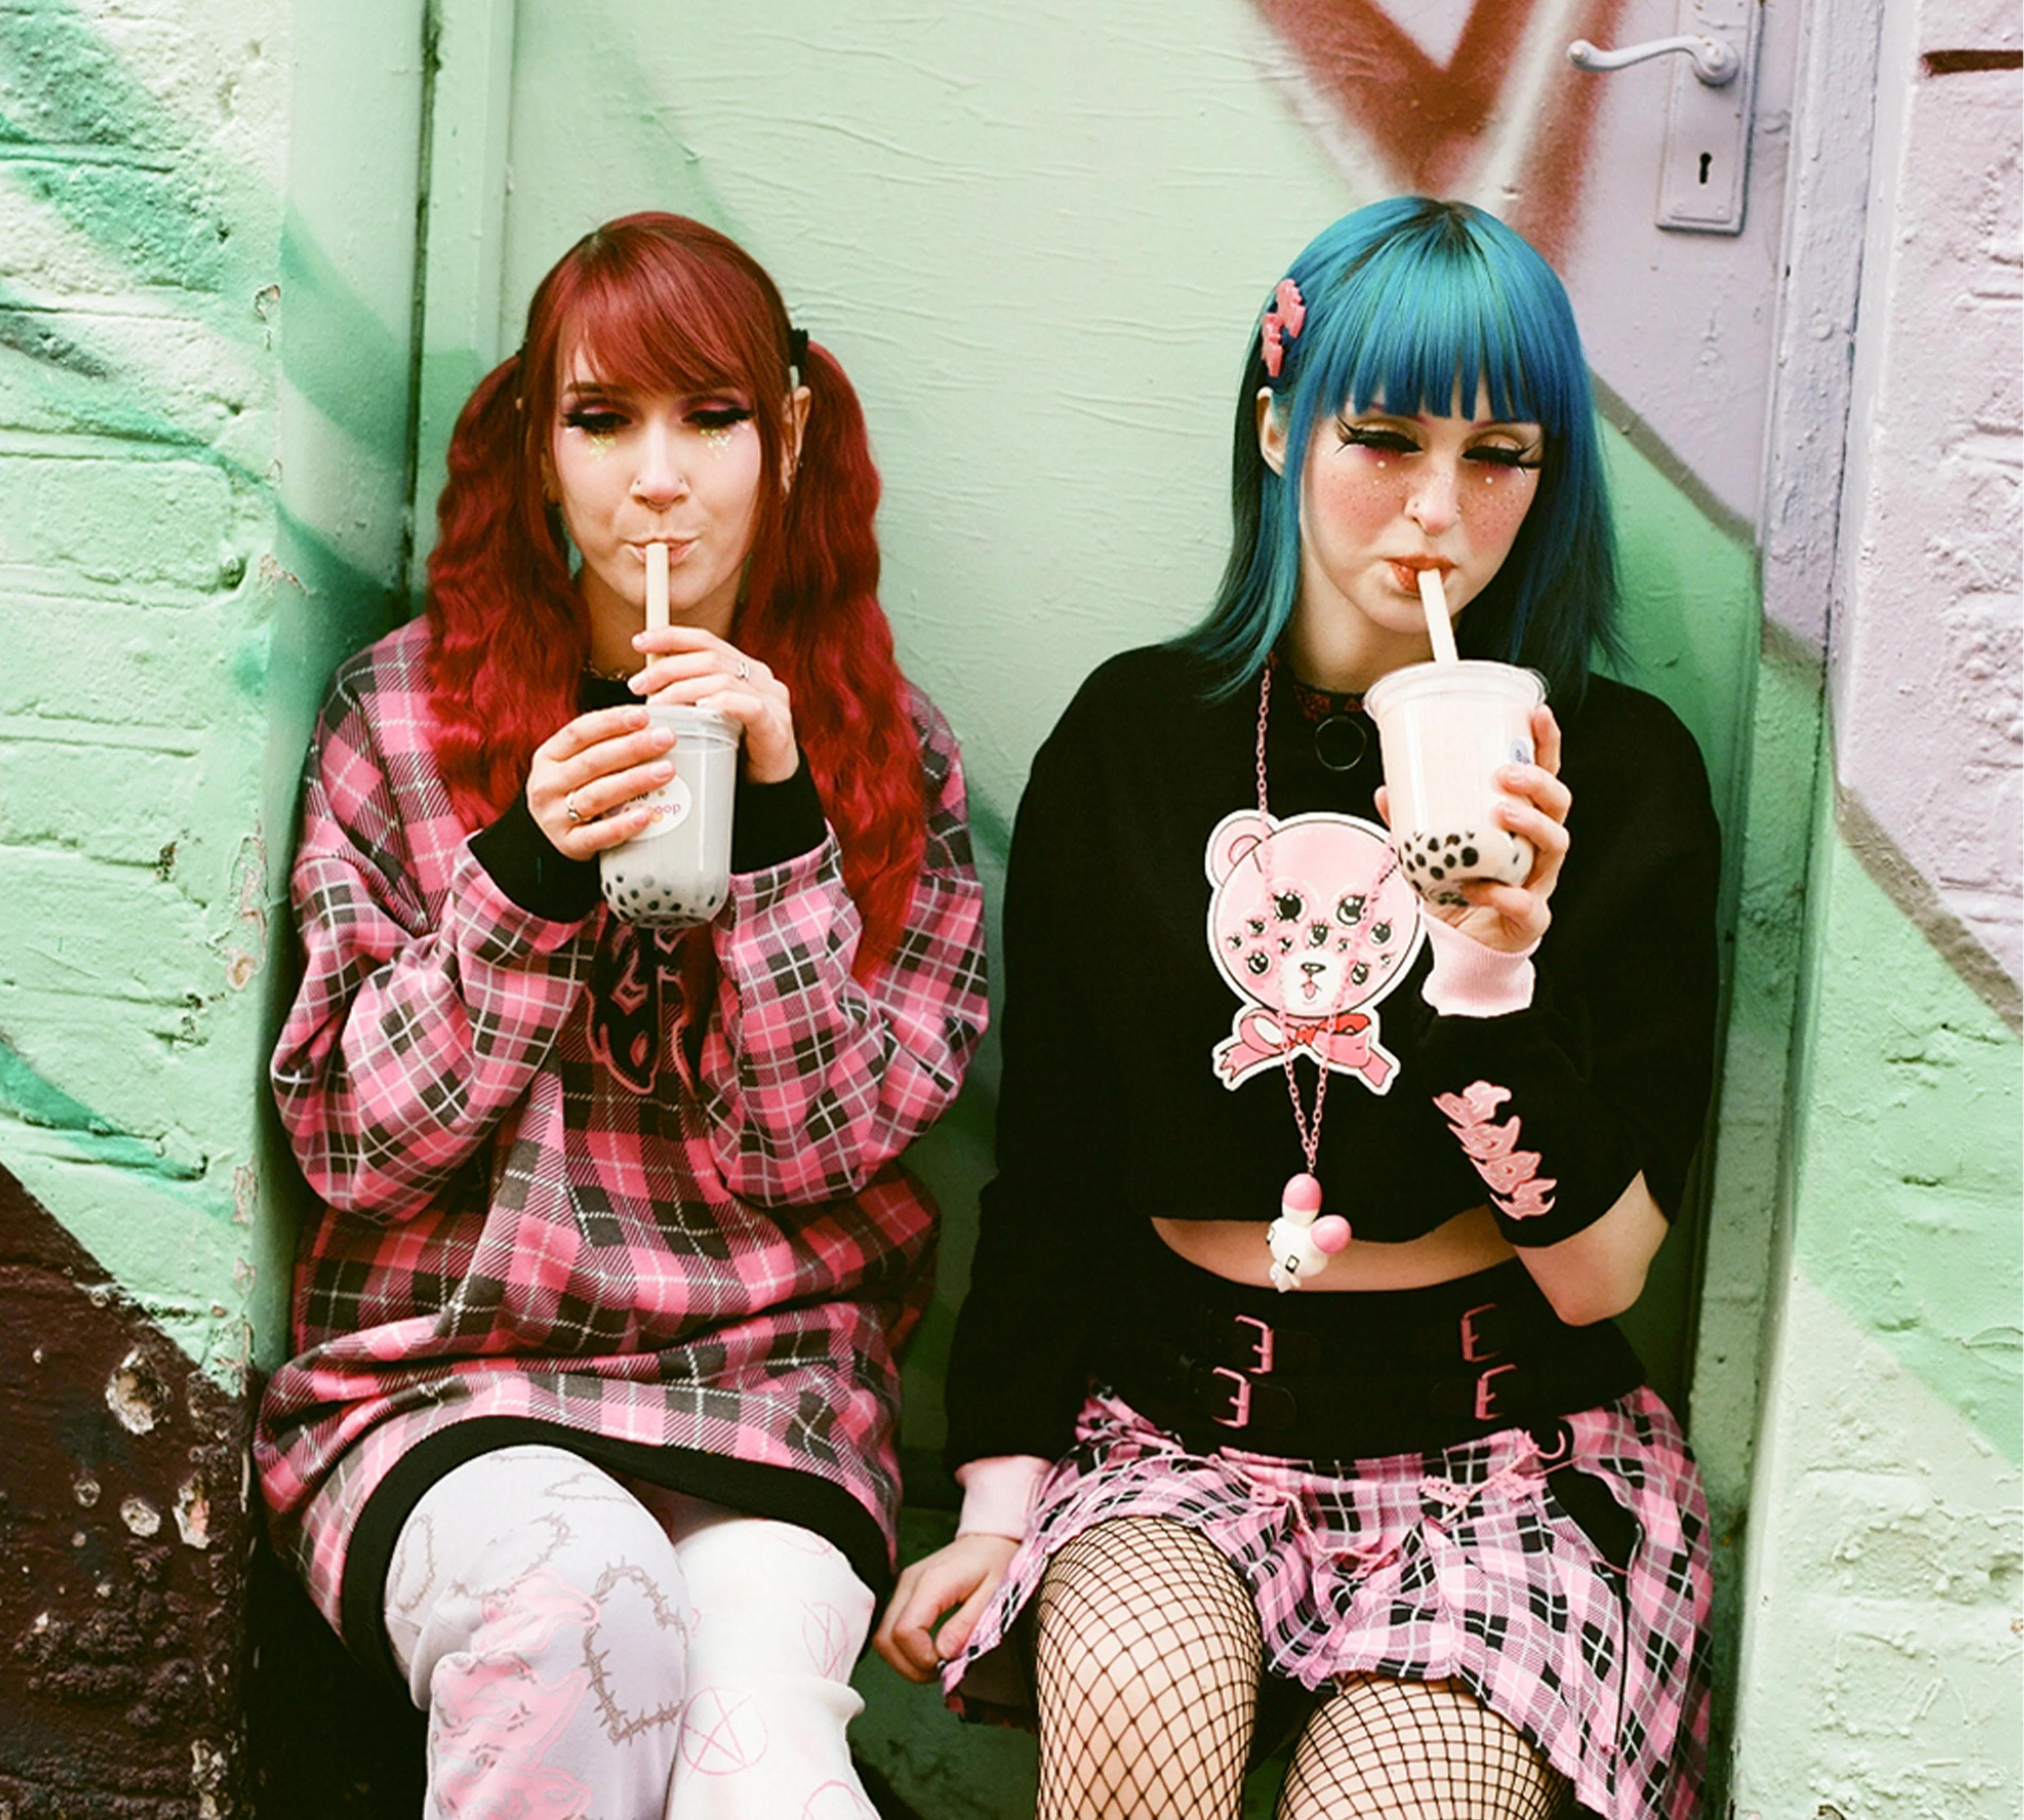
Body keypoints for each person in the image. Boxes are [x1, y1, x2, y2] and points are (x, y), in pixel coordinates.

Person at [876, 197, 1719, 1820]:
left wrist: (1487, 974)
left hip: (1504, 1459)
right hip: (1178, 1434)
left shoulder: (1614, 774)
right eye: (1382, 437)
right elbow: (1054, 1168)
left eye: (1498, 455)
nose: (1436, 509)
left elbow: (1603, 1272)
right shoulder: (1135, 741)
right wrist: (993, 1497)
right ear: (1278, 430)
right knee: (1134, 1714)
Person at [255, 212, 987, 1818]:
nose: (657, 480)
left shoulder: (886, 750)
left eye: (710, 418)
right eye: (602, 420)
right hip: (450, 1376)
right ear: (540, 448)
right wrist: (524, 873)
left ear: (789, 435)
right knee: (578, 1613)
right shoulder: (403, 715)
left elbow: (815, 1155)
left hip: (768, 1390)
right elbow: (352, 1147)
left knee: (763, 1760)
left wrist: (783, 831)